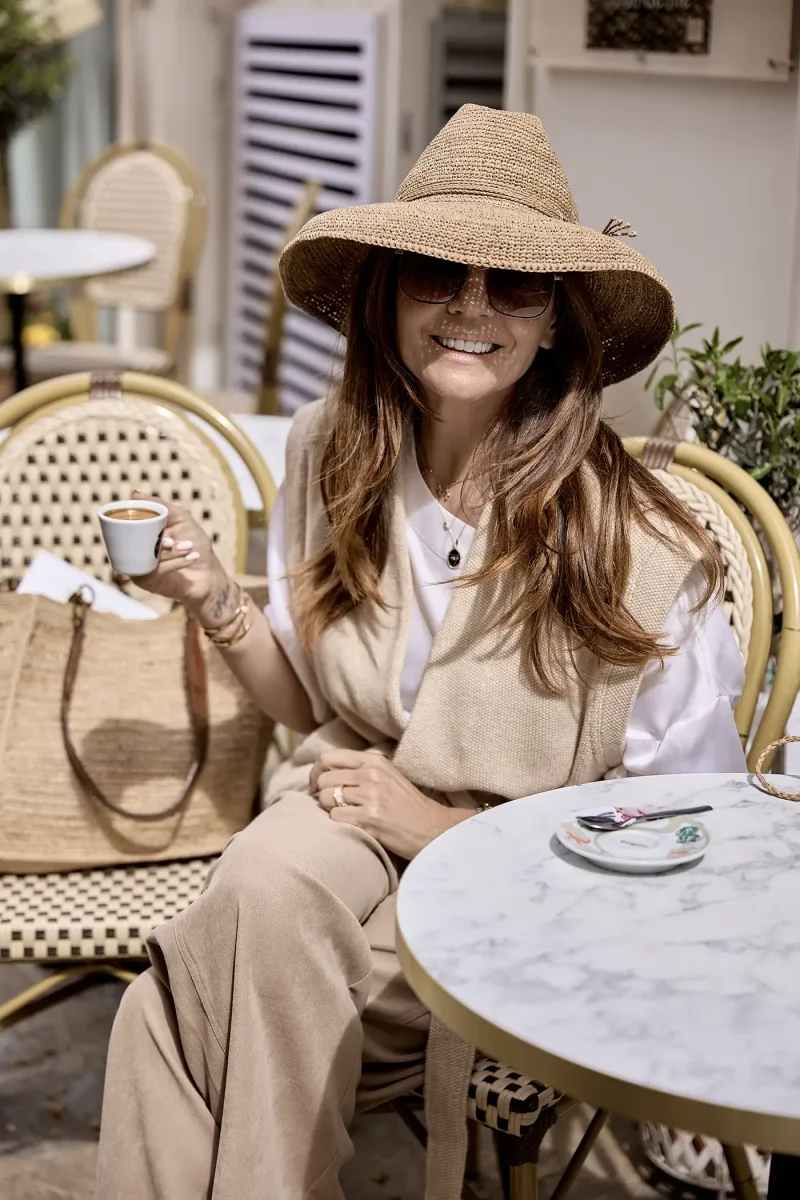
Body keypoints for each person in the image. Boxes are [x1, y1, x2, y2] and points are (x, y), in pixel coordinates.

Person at [96, 105, 746, 1200]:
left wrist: (440, 830)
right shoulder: (333, 451)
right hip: (343, 812)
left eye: (514, 284)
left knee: (171, 1010)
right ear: (388, 295)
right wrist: (214, 600)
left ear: (555, 321)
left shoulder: (633, 543)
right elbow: (314, 707)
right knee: (260, 888)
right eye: (437, 273)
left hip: (527, 882)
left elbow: (687, 828)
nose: (471, 308)